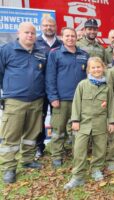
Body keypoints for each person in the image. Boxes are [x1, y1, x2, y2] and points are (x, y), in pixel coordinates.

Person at [0, 22, 47, 184]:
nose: (30, 36)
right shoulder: (6, 50)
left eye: (33, 33)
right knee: (11, 137)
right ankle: (9, 168)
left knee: (31, 134)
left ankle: (27, 159)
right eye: (27, 32)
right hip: (15, 101)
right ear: (18, 33)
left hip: (36, 100)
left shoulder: (40, 53)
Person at [64, 57, 114, 189]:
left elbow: (111, 106)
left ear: (103, 68)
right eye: (93, 67)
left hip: (100, 123)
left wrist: (112, 122)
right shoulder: (83, 85)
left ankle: (96, 169)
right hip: (83, 123)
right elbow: (76, 103)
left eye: (99, 67)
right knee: (79, 149)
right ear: (88, 70)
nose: (96, 70)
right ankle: (78, 176)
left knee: (100, 148)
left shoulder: (107, 87)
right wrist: (75, 120)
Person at [46, 27, 89, 168]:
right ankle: (57, 156)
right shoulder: (55, 54)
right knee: (58, 130)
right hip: (61, 99)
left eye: (73, 36)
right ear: (62, 37)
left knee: (78, 129)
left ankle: (78, 154)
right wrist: (53, 97)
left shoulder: (84, 54)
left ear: (77, 37)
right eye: (67, 36)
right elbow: (50, 77)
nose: (70, 38)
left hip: (79, 100)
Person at [35, 15, 62, 159]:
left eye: (51, 25)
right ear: (41, 27)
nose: (48, 28)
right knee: (40, 118)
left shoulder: (60, 44)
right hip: (39, 89)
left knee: (57, 119)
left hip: (57, 89)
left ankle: (58, 146)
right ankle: (39, 147)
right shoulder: (35, 43)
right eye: (45, 25)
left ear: (55, 27)